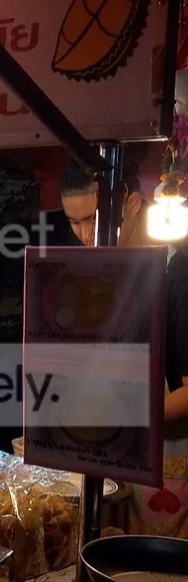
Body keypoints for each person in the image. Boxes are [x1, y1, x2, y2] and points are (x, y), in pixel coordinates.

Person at [59, 160, 188, 537]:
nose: (86, 234)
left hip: (169, 466)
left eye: (94, 218)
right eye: (74, 221)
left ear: (132, 203)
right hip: (110, 461)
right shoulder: (98, 273)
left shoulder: (176, 274)